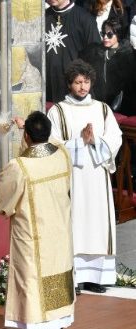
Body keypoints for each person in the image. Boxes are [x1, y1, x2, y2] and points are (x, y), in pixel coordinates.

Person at [0, 111, 74, 329]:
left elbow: (3, 200)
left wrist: (23, 130)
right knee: (57, 277)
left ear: (27, 136)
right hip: (59, 232)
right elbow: (54, 142)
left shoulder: (19, 166)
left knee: (31, 278)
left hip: (31, 234)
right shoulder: (62, 155)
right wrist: (29, 130)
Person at [47, 59, 122, 294]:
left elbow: (115, 138)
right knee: (75, 223)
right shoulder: (57, 111)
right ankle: (74, 277)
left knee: (97, 224)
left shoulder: (102, 109)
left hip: (96, 175)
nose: (82, 87)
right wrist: (80, 142)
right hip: (74, 177)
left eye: (86, 82)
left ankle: (96, 277)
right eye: (78, 82)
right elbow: (52, 143)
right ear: (69, 84)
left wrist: (95, 141)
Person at [45, 0, 100, 103]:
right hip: (48, 88)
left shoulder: (85, 18)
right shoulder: (43, 17)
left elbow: (95, 55)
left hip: (75, 88)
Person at [80, 16, 136, 114]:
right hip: (97, 106)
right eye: (103, 34)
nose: (105, 37)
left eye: (110, 34)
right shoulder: (94, 52)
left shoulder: (128, 55)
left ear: (118, 34)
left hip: (122, 108)